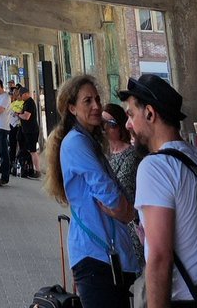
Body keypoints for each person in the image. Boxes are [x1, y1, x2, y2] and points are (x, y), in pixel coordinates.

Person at [43, 73, 138, 308]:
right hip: (95, 257)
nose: (96, 106)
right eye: (87, 101)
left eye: (97, 99)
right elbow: (111, 196)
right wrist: (127, 211)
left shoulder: (89, 140)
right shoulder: (76, 142)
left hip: (106, 255)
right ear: (72, 108)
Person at [122, 73, 197, 308]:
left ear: (150, 113)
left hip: (184, 299)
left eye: (131, 115)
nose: (127, 125)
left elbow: (160, 258)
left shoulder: (156, 168)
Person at [102, 102, 143, 265]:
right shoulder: (102, 154)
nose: (105, 127)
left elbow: (119, 192)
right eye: (102, 122)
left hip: (128, 227)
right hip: (108, 227)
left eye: (110, 123)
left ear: (120, 127)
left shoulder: (131, 155)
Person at [17, 84, 41, 176]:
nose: (20, 97)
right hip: (27, 130)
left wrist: (19, 115)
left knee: (33, 151)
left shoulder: (30, 103)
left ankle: (37, 170)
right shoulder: (26, 102)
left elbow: (26, 116)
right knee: (29, 150)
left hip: (31, 130)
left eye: (21, 95)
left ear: (26, 94)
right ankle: (30, 168)